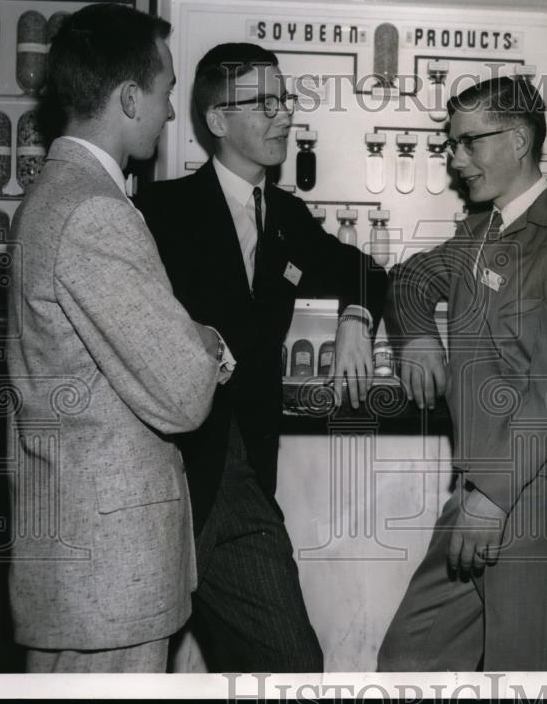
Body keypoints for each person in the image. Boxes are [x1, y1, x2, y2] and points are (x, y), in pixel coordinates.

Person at [137, 42, 388, 671]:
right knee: (132, 671)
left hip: (244, 479)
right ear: (218, 120)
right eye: (264, 102)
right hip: (164, 476)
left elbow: (363, 270)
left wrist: (356, 318)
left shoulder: (287, 217)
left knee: (291, 665)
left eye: (285, 100)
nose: (283, 116)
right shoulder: (157, 212)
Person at [5, 3, 228, 673]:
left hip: (79, 564)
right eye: (163, 95)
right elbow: (185, 391)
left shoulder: (50, 196)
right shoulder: (95, 211)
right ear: (130, 97)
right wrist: (207, 342)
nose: (167, 115)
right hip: (107, 571)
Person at [376, 76, 547, 671]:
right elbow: (409, 280)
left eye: (469, 143)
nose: (455, 160)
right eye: (451, 144)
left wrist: (493, 497)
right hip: (479, 488)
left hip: (533, 496)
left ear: (519, 140)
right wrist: (419, 337)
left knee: (524, 676)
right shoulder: (478, 232)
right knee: (409, 661)